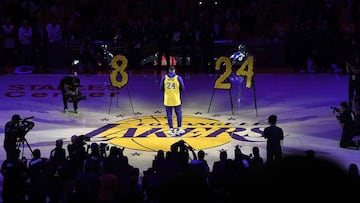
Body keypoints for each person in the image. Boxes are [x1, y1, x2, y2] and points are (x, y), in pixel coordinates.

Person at [160, 66, 186, 136]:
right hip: (176, 99)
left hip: (167, 99)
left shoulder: (164, 78)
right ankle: (179, 128)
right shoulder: (178, 78)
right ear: (174, 70)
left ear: (168, 71)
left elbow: (161, 88)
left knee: (169, 114)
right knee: (178, 114)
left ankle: (171, 129)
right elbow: (183, 88)